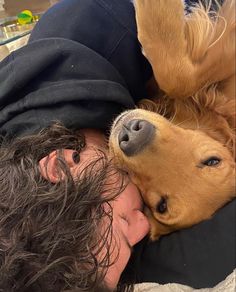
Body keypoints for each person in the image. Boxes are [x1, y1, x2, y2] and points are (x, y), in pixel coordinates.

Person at [0, 0, 235, 291]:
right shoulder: (76, 247)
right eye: (158, 209)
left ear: (62, 163)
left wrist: (178, 75)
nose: (145, 227)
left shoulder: (102, 24)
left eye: (124, 222)